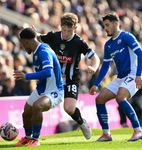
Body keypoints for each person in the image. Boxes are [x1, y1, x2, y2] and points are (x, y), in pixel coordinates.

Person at [33, 12, 100, 140]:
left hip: (71, 79)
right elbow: (38, 37)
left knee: (69, 108)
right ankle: (32, 136)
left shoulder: (79, 42)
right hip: (54, 79)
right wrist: (32, 33)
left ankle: (82, 123)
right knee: (38, 105)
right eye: (64, 30)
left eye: (69, 31)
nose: (66, 34)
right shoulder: (53, 36)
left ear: (75, 29)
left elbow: (95, 57)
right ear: (60, 26)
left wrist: (94, 67)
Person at [89, 12, 142, 142]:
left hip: (132, 74)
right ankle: (106, 134)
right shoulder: (108, 44)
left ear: (116, 24)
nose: (105, 28)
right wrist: (96, 84)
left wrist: (138, 75)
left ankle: (138, 130)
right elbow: (105, 66)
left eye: (107, 25)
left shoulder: (126, 37)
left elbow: (141, 55)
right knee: (99, 99)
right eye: (104, 26)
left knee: (120, 98)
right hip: (121, 77)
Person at [13, 28, 64, 146]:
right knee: (26, 113)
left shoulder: (43, 51)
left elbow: (48, 72)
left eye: (22, 44)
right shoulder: (37, 50)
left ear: (25, 41)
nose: (23, 48)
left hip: (54, 90)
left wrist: (26, 76)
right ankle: (27, 137)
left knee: (37, 106)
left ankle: (35, 140)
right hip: (41, 88)